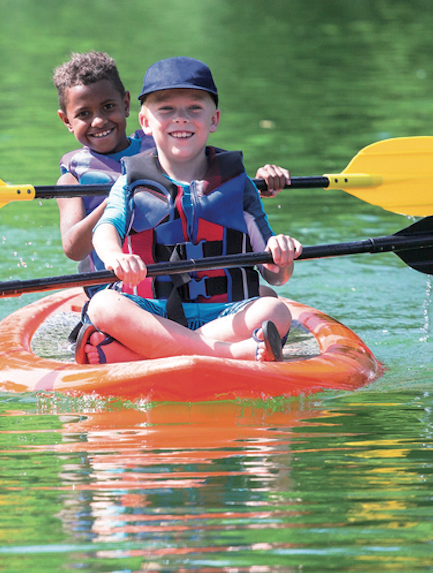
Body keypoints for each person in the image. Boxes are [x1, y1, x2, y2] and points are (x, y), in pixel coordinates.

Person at [75, 56, 300, 365]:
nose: (180, 118)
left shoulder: (239, 184)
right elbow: (106, 229)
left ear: (214, 119)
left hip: (225, 312)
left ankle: (135, 352)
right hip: (151, 310)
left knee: (274, 309)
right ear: (145, 122)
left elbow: (275, 276)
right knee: (103, 305)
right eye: (166, 109)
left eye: (194, 108)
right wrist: (115, 256)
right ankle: (232, 354)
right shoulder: (130, 181)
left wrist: (281, 256)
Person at [52, 52, 152, 281]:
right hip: (112, 290)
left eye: (108, 106)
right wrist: (116, 198)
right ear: (67, 121)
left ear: (126, 104)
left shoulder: (161, 151)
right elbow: (73, 249)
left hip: (168, 282)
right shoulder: (72, 180)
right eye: (83, 114)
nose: (98, 121)